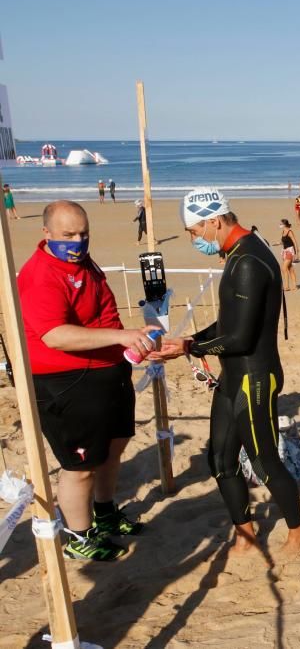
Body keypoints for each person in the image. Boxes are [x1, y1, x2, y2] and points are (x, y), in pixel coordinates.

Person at [152, 188, 300, 559]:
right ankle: (245, 532)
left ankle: (298, 532)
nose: (194, 240)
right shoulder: (239, 255)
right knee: (220, 460)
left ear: (214, 220)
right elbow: (229, 323)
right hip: (234, 376)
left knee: (264, 460)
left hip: (255, 376)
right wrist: (190, 340)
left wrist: (189, 348)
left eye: (194, 231)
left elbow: (239, 338)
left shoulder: (249, 261)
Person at [18, 201, 155, 561]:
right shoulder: (40, 274)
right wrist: (120, 337)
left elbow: (105, 313)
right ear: (46, 234)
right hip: (65, 380)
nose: (77, 242)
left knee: (114, 447)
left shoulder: (84, 262)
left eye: (83, 234)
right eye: (68, 235)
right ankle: (78, 536)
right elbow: (56, 335)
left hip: (108, 371)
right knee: (79, 466)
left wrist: (136, 339)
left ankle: (106, 514)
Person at [278, 219, 300, 291]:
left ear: (284, 224)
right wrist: (279, 243)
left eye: (281, 223)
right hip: (284, 251)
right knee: (290, 269)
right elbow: (283, 241)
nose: (280, 225)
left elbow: (295, 242)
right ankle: (295, 286)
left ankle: (286, 286)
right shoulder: (283, 231)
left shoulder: (289, 231)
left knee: (283, 268)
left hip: (290, 251)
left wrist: (297, 253)